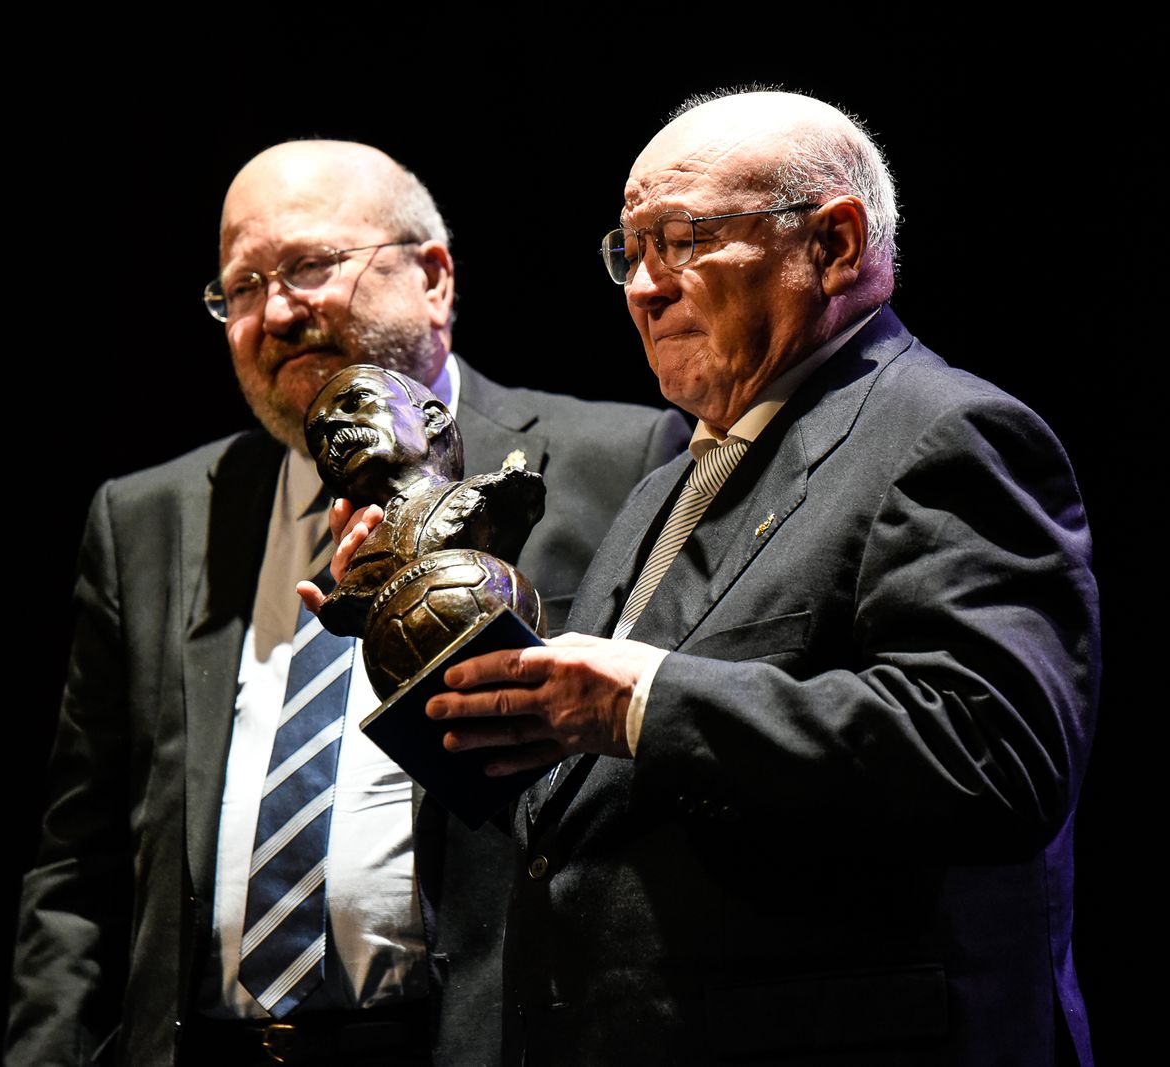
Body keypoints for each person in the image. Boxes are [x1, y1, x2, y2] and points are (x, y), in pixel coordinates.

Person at [415, 90, 1101, 1065]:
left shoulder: (943, 433)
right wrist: (430, 649)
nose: (644, 286)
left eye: (683, 237)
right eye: (629, 248)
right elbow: (572, 804)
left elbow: (993, 752)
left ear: (832, 243)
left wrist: (642, 700)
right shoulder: (667, 483)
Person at [4, 140, 689, 1066]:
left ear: (434, 277)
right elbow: (76, 863)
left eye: (310, 266)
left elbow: (652, 786)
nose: (275, 311)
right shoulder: (149, 517)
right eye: (240, 287)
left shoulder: (617, 462)